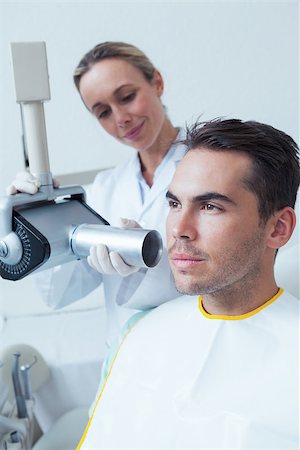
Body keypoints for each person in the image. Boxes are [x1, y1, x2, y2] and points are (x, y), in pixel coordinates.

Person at [77, 118, 300, 449]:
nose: (179, 229)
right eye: (173, 204)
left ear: (278, 228)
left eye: (210, 207)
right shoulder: (140, 335)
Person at [7, 42, 187, 347]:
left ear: (156, 82)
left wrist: (149, 260)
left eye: (127, 97)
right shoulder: (105, 189)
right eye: (103, 112)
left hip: (196, 346)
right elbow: (58, 293)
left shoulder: (210, 166)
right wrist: (32, 220)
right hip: (127, 360)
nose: (120, 119)